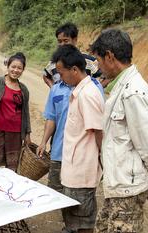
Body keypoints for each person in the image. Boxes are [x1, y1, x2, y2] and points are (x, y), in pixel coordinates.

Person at [90, 29, 148, 233]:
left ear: (110, 56)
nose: (98, 66)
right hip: (119, 185)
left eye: (98, 60)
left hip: (128, 189)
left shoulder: (132, 92)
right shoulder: (122, 86)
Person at [52, 44, 104, 233]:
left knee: (82, 224)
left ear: (74, 70)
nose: (59, 77)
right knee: (73, 222)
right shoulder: (79, 92)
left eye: (61, 72)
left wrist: (103, 162)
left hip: (81, 174)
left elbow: (99, 132)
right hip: (74, 172)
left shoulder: (88, 95)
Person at [0, 52, 31, 171]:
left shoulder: (23, 89)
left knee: (12, 166)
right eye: (13, 67)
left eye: (19, 68)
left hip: (16, 132)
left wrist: (27, 133)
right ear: (7, 66)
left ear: (23, 70)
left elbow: (25, 112)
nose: (16, 70)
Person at [42, 22, 102, 89]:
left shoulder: (89, 61)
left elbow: (104, 76)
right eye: (59, 41)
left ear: (75, 40)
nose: (62, 44)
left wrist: (97, 90)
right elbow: (46, 75)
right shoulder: (54, 62)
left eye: (66, 41)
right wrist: (54, 90)